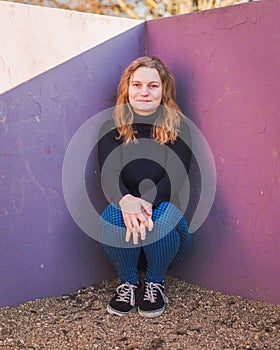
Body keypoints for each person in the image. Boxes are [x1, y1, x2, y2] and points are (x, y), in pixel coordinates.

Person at [98, 56, 192, 318]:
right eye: (137, 85)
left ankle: (155, 282)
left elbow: (176, 177)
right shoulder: (111, 127)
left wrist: (144, 204)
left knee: (162, 219)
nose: (144, 92)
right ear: (127, 89)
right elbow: (109, 174)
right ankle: (128, 282)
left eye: (153, 86)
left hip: (168, 235)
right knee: (108, 218)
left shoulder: (179, 127)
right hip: (125, 239)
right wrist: (126, 200)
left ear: (164, 91)